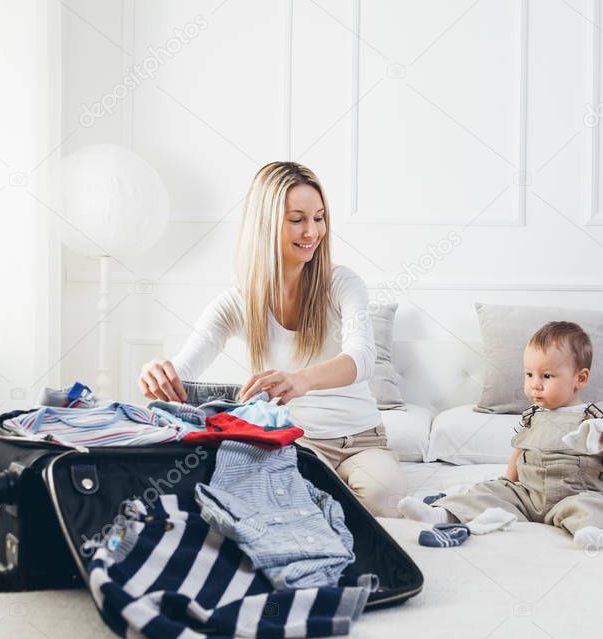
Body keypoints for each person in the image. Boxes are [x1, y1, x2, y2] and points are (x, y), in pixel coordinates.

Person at [138, 161, 407, 517]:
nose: (312, 231)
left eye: (319, 217)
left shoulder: (342, 284)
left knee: (386, 498)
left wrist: (300, 380)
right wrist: (158, 372)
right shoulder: (237, 303)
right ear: (266, 224)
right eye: (297, 219)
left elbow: (362, 357)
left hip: (361, 441)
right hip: (295, 444)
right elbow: (184, 368)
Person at [397, 321, 603, 549]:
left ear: (580, 378)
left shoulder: (595, 418)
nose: (535, 384)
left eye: (547, 376)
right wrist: (507, 484)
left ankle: (590, 531)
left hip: (572, 495)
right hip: (527, 496)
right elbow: (520, 453)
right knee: (488, 492)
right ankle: (442, 513)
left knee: (593, 505)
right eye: (529, 374)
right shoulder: (532, 416)